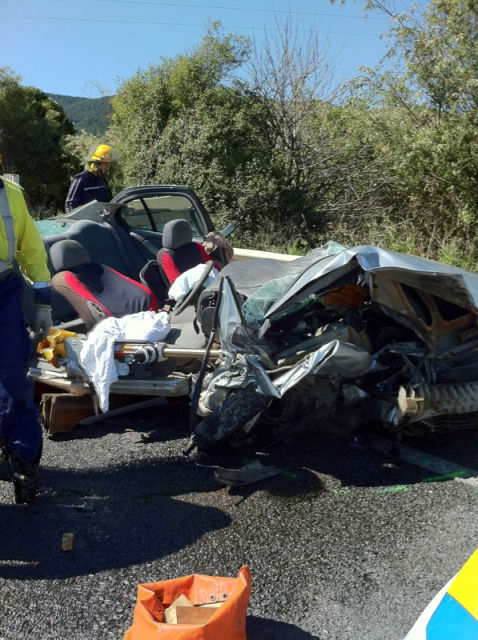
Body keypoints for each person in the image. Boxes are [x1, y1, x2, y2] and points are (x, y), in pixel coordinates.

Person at [0, 175, 53, 503]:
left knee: (12, 379)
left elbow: (30, 248)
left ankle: (22, 461)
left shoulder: (10, 194)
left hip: (3, 293)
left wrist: (43, 301)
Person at [64, 144, 114, 213]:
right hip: (85, 222)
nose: (108, 167)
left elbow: (108, 203)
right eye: (105, 164)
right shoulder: (80, 179)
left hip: (99, 222)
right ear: (97, 163)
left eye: (109, 164)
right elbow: (70, 205)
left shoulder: (102, 180)